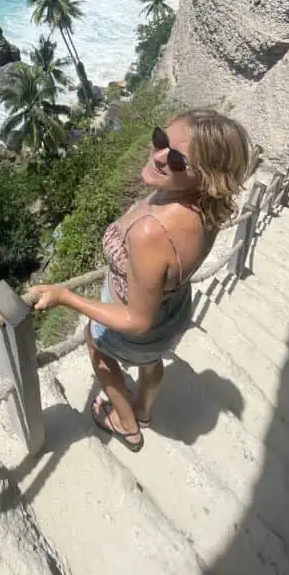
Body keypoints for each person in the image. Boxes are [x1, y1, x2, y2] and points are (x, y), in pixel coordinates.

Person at [33, 108, 252, 452]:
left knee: (96, 346)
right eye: (161, 140)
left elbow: (136, 320)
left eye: (178, 159)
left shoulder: (152, 232)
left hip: (142, 324)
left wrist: (65, 297)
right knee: (152, 364)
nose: (160, 155)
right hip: (173, 311)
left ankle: (128, 424)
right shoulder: (209, 206)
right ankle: (145, 411)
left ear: (206, 177)